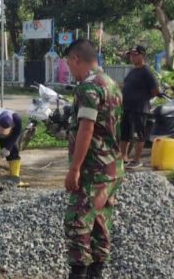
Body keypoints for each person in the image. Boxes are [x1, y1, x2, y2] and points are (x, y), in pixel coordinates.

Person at [62, 39, 123, 279]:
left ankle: (79, 274)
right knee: (100, 223)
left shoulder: (88, 88)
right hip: (111, 168)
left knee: (77, 222)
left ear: (76, 59)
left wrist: (74, 168)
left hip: (93, 170)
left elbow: (86, 128)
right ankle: (96, 274)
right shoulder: (111, 84)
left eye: (69, 64)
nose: (69, 70)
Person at [120, 45, 159, 169]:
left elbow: (155, 91)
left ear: (142, 55)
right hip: (127, 107)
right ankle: (123, 158)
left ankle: (137, 160)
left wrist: (141, 98)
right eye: (131, 55)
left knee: (138, 135)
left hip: (139, 109)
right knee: (124, 134)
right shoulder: (133, 70)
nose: (132, 57)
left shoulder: (147, 71)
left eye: (135, 55)